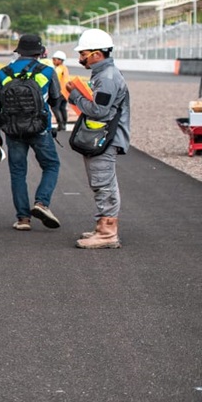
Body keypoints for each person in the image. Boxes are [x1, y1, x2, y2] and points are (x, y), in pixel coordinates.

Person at [0, 34, 63, 232]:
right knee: (51, 165)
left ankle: (23, 219)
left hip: (12, 130)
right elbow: (56, 100)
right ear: (40, 52)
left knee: (17, 173)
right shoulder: (47, 71)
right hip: (40, 128)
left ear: (18, 51)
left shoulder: (2, 73)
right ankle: (41, 203)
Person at [66, 28, 130, 249]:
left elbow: (99, 111)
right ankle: (102, 226)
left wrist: (73, 95)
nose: (80, 57)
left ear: (96, 54)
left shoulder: (107, 77)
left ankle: (107, 234)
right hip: (100, 138)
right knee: (102, 182)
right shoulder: (103, 74)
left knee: (103, 183)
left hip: (104, 139)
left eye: (83, 53)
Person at [45, 50, 71, 130]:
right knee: (62, 108)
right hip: (66, 92)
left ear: (60, 60)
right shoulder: (65, 68)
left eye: (54, 59)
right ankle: (64, 124)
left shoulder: (58, 69)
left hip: (60, 91)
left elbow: (55, 81)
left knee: (55, 108)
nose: (53, 61)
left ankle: (61, 124)